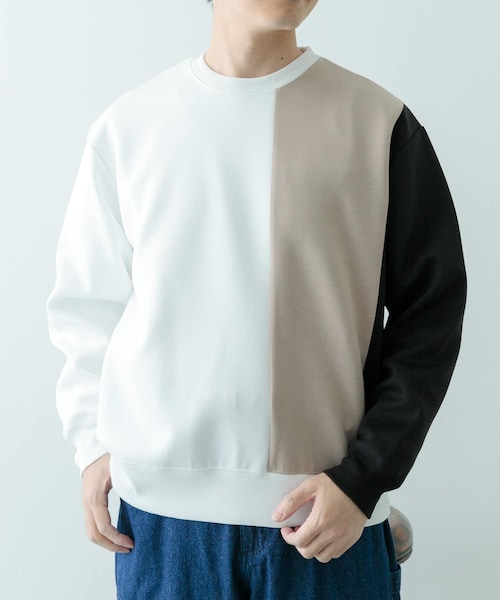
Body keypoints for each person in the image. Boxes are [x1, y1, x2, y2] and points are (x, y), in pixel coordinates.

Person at [45, 0, 467, 598]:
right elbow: (87, 305)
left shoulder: (379, 122)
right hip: (163, 527)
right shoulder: (130, 126)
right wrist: (91, 445)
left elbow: (431, 313)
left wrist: (365, 477)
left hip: (326, 519)